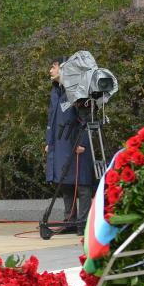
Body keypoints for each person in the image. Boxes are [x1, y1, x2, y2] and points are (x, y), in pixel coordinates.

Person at [45, 58, 95, 232]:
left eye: (53, 67)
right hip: (61, 144)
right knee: (65, 183)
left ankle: (83, 224)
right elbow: (51, 119)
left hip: (77, 143)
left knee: (82, 184)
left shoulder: (79, 90)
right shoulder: (56, 91)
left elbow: (86, 119)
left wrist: (82, 143)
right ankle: (69, 221)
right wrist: (49, 142)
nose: (50, 70)